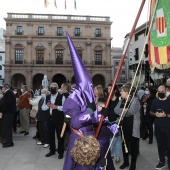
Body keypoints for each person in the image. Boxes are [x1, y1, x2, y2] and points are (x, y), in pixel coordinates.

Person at [63, 32, 98, 170]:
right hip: (79, 140)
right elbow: (76, 121)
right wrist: (89, 110)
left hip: (91, 139)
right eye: (88, 86)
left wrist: (104, 116)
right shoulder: (71, 101)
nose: (91, 88)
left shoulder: (88, 97)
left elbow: (95, 119)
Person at [114, 84, 141, 170]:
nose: (120, 92)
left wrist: (123, 111)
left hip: (133, 127)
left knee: (133, 147)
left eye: (122, 91)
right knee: (124, 145)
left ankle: (133, 164)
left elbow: (130, 112)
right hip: (124, 126)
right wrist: (124, 110)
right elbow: (115, 110)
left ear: (127, 92)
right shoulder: (121, 100)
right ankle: (126, 162)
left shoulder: (135, 100)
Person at [150, 85, 170, 170]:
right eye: (159, 91)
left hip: (168, 128)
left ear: (166, 91)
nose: (161, 93)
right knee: (160, 146)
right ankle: (162, 162)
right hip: (158, 128)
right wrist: (155, 114)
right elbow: (151, 112)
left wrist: (165, 115)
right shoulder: (155, 101)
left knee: (169, 147)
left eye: (162, 91)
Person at [45, 82, 64, 159]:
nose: (52, 89)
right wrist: (47, 106)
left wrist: (56, 107)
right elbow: (44, 107)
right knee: (51, 135)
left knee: (60, 136)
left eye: (54, 88)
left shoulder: (61, 96)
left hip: (59, 119)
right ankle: (52, 150)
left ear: (57, 88)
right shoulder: (48, 96)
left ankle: (60, 152)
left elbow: (65, 107)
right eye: (51, 88)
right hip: (50, 118)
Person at [107, 84, 121, 163]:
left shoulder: (119, 100)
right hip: (109, 122)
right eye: (108, 89)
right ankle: (111, 155)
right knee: (110, 139)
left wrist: (118, 121)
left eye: (110, 89)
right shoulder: (108, 99)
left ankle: (117, 155)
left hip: (116, 121)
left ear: (115, 90)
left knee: (117, 140)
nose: (109, 91)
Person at [1, 83, 16, 148]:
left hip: (8, 113)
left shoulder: (8, 93)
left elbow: (8, 103)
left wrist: (3, 109)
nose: (3, 89)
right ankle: (9, 141)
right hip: (9, 112)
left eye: (3, 87)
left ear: (5, 87)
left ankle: (9, 142)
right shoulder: (10, 92)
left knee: (7, 128)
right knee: (8, 128)